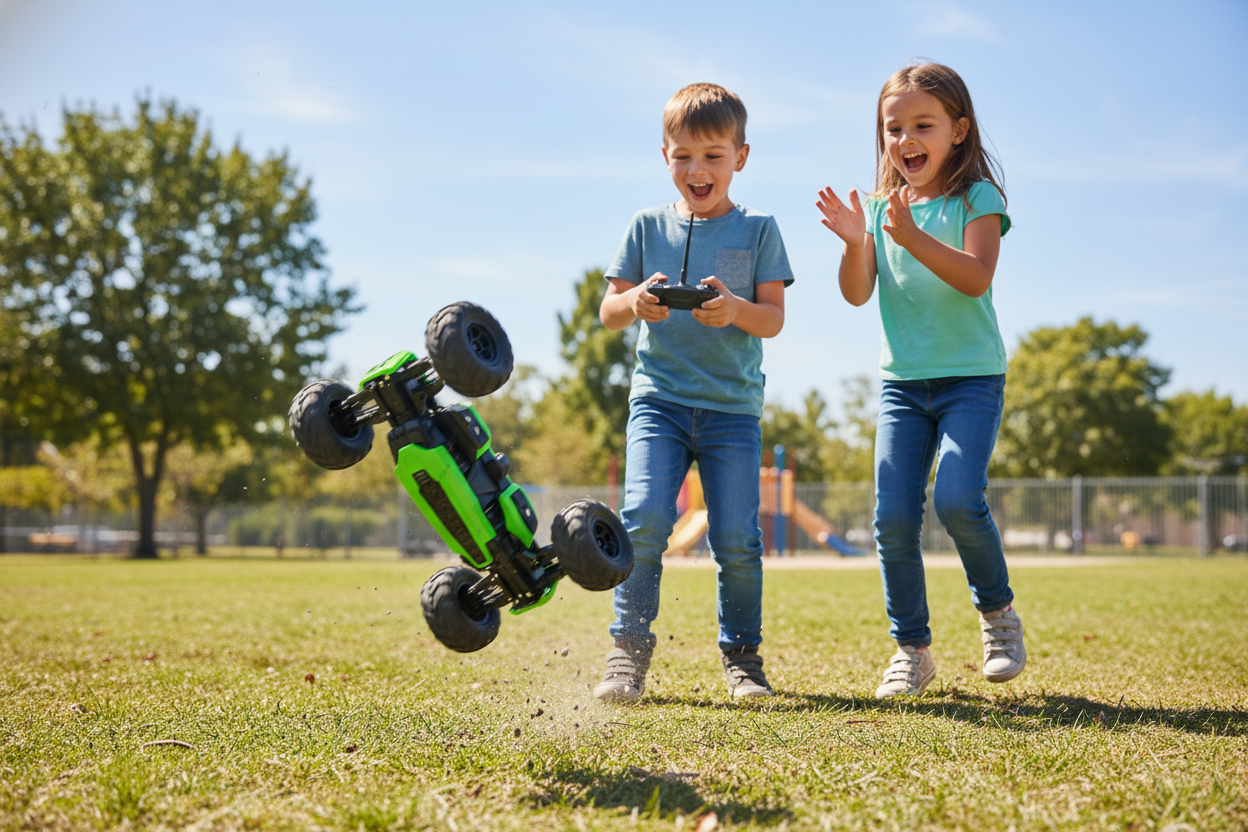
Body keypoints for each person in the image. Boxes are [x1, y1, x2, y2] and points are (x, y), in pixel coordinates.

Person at [815, 62, 1025, 697]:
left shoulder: (976, 200)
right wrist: (859, 242)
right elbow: (857, 295)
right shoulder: (881, 209)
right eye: (893, 128)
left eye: (922, 125)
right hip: (903, 386)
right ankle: (912, 649)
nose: (905, 140)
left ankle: (998, 616)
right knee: (893, 519)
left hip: (970, 380)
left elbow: (975, 276)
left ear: (958, 130)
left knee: (960, 499)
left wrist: (909, 235)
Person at [594, 82, 794, 703]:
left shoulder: (760, 229)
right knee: (646, 521)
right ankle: (627, 652)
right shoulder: (644, 226)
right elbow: (609, 311)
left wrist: (734, 309)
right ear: (665, 157)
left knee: (737, 538)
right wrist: (636, 302)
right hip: (659, 402)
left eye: (712, 155)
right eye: (683, 156)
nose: (697, 169)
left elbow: (772, 318)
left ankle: (743, 660)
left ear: (741, 156)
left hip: (733, 409)